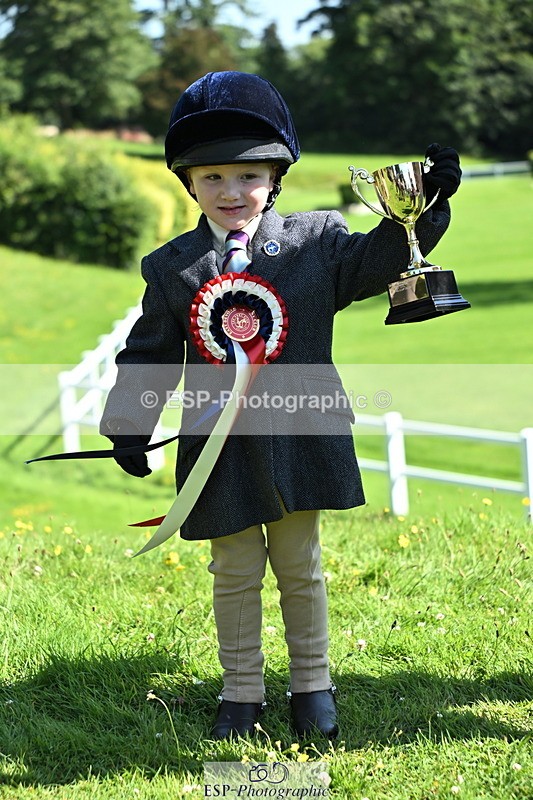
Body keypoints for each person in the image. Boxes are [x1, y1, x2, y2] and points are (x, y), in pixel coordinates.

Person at [100, 71, 461, 740]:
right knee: (232, 571)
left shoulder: (317, 241)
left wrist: (426, 207)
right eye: (211, 178)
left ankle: (311, 685)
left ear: (274, 176)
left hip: (302, 432)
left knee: (300, 566)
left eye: (247, 176)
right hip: (217, 449)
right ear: (189, 184)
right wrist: (129, 423)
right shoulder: (170, 266)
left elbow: (383, 257)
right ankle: (240, 692)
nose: (230, 192)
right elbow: (147, 351)